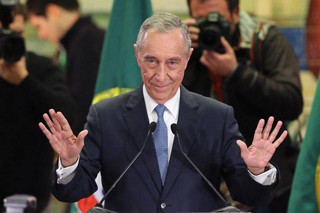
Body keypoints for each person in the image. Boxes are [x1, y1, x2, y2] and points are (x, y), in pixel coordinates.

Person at [39, 12, 288, 212]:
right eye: (151, 61)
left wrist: (256, 171)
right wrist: (70, 163)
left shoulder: (217, 117)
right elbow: (73, 192)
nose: (161, 75)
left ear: (188, 58)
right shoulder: (105, 116)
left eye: (172, 62)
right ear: (137, 55)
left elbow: (247, 195)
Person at [182, 0, 303, 211]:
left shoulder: (265, 40)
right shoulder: (189, 50)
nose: (211, 27)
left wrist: (237, 72)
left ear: (236, 13)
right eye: (202, 20)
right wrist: (183, 54)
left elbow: (292, 101)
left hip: (267, 181)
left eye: (217, 19)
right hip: (205, 185)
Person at [0, 4, 75, 212]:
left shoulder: (41, 67)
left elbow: (67, 114)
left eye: (15, 34)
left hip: (31, 197)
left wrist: (24, 80)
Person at [26, 0, 105, 135]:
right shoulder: (85, 38)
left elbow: (82, 109)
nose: (42, 35)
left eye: (38, 26)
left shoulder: (86, 42)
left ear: (53, 12)